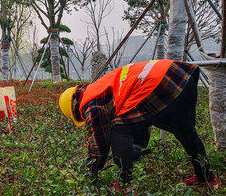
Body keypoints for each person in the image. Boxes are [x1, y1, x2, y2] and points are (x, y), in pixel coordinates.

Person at [59, 59, 217, 187]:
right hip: (178, 74)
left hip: (157, 81)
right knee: (184, 131)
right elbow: (140, 115)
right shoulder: (100, 87)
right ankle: (206, 177)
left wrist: (90, 172)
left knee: (119, 127)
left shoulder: (91, 103)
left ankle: (124, 185)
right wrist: (135, 147)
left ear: (75, 108)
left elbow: (99, 145)